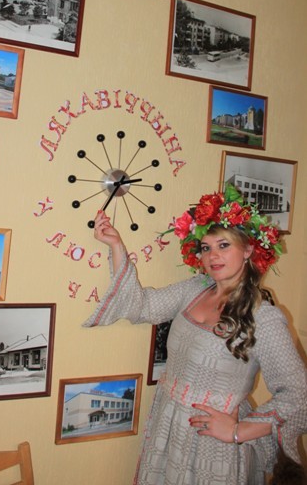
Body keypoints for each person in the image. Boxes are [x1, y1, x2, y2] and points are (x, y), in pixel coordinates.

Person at [84, 184, 307, 485]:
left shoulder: (263, 317)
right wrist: (115, 245)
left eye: (224, 245)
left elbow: (298, 394)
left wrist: (238, 431)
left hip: (213, 445)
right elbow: (143, 306)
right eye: (206, 247)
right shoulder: (194, 289)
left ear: (248, 250)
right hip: (168, 424)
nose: (213, 256)